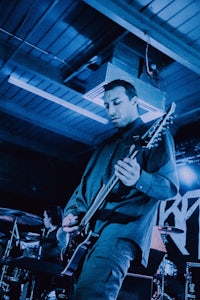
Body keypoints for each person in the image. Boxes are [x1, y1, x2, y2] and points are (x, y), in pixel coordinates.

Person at [62, 79, 179, 299]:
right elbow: (82, 189)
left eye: (116, 102)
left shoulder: (156, 135)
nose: (111, 110)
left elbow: (169, 188)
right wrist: (70, 213)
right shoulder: (103, 146)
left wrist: (139, 178)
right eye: (107, 105)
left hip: (119, 233)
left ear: (134, 101)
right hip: (88, 236)